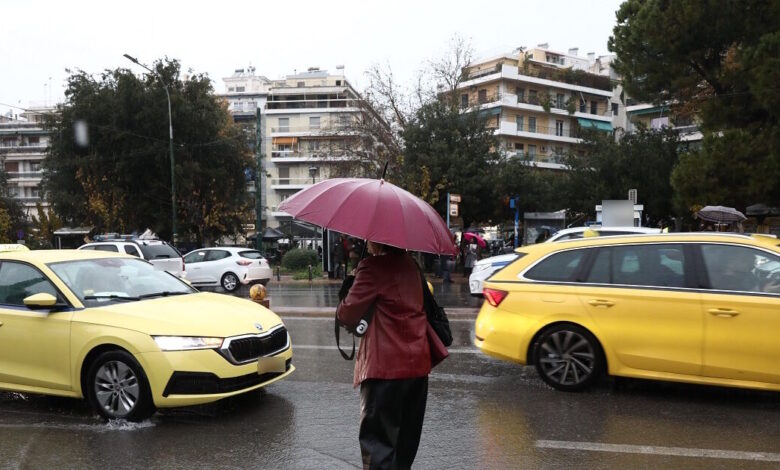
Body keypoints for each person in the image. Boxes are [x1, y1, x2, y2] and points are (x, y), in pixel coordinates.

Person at [336, 241, 431, 470]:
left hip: (384, 369)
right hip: (418, 367)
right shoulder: (412, 265)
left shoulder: (372, 267)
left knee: (378, 448)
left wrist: (350, 286)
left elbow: (347, 314)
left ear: (377, 241)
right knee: (404, 446)